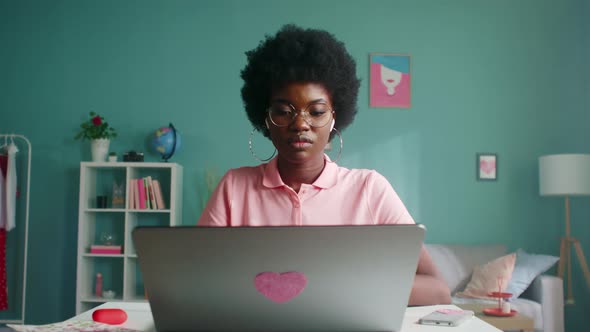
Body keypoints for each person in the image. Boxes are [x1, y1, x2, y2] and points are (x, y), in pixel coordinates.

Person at [198, 24, 451, 306]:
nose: (300, 124)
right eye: (283, 111)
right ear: (265, 119)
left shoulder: (370, 188)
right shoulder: (234, 187)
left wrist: (337, 289)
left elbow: (437, 289)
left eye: (316, 111)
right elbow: (195, 278)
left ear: (334, 119)